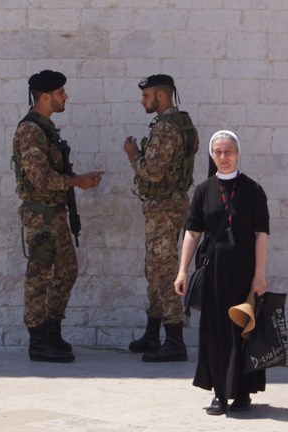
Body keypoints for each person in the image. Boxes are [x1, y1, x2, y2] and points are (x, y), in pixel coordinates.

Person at [174, 130, 269, 414]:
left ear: (238, 153)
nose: (223, 157)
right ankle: (219, 392)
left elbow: (261, 234)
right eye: (217, 152)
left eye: (228, 152)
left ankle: (242, 393)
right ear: (211, 155)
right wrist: (182, 271)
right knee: (214, 331)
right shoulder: (204, 190)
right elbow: (192, 233)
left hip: (243, 273)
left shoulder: (252, 190)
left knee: (243, 329)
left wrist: (260, 274)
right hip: (213, 272)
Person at [12, 70, 104, 363]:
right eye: (61, 92)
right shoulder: (30, 130)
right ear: (46, 96)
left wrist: (77, 179)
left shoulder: (46, 128)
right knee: (39, 277)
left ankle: (51, 330)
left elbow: (54, 174)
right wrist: (76, 182)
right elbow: (39, 177)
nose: (66, 97)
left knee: (66, 270)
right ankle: (38, 340)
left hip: (54, 214)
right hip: (41, 216)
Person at [123, 74, 199, 362]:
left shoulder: (167, 128)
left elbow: (153, 172)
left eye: (146, 96)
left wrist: (133, 155)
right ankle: (153, 334)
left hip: (164, 208)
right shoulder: (184, 123)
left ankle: (174, 340)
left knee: (164, 272)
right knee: (155, 269)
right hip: (169, 206)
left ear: (161, 96)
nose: (143, 101)